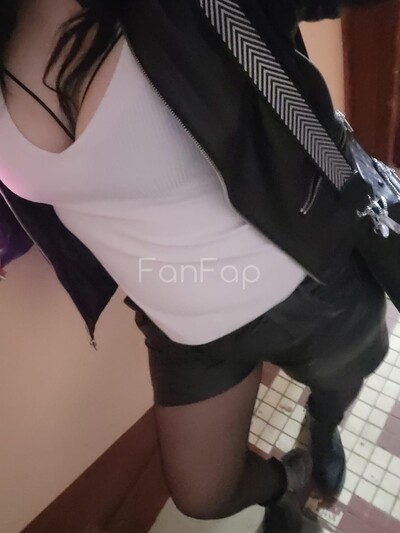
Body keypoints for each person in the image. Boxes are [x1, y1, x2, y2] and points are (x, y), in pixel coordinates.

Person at [0, 1, 392, 531]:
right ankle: (287, 483)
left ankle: (323, 426)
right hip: (179, 326)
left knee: (338, 383)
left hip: (309, 286)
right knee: (203, 493)